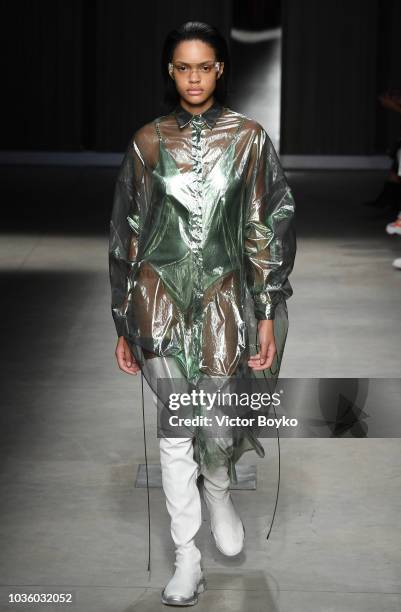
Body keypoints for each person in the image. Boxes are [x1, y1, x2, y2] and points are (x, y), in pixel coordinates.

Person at [108, 21, 296, 606]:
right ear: (171, 71)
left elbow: (267, 225)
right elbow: (127, 235)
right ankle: (187, 558)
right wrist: (123, 322)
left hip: (224, 297)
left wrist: (265, 308)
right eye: (183, 67)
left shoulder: (249, 139)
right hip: (157, 298)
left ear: (220, 70)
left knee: (214, 422)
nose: (194, 77)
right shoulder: (145, 142)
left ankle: (217, 486)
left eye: (204, 66)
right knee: (173, 433)